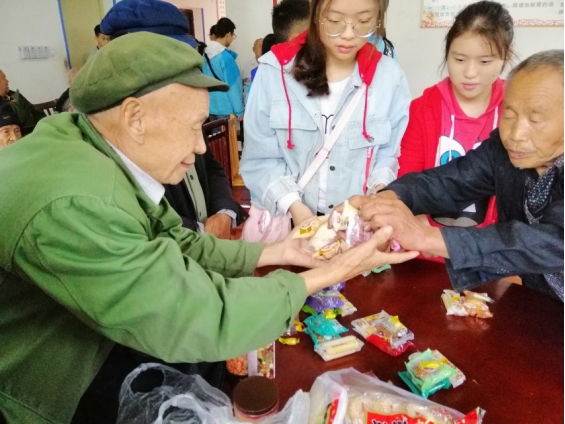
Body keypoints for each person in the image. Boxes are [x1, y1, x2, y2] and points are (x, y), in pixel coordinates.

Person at [0, 32, 418, 424]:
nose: (201, 146)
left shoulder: (85, 142)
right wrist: (331, 272)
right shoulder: (78, 200)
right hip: (45, 381)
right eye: (193, 126)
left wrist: (278, 252)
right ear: (134, 117)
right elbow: (187, 315)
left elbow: (177, 241)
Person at [352, 49, 564, 302]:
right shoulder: (504, 150)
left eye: (535, 120)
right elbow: (451, 181)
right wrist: (389, 199)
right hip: (543, 300)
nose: (515, 134)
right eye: (509, 115)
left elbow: (554, 243)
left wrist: (428, 237)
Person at [240, 0, 411, 228]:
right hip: (289, 220)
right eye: (334, 20)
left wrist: (378, 194)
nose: (348, 34)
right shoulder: (274, 72)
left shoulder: (389, 77)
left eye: (363, 21)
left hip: (357, 224)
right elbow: (261, 157)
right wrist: (295, 207)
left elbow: (389, 153)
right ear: (315, 11)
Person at [101, 0, 247, 240]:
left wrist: (224, 212)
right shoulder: (112, 133)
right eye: (170, 60)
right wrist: (200, 233)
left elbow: (209, 165)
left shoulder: (181, 107)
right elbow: (140, 213)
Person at [398, 1, 513, 234]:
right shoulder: (423, 108)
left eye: (485, 61)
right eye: (459, 59)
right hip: (427, 241)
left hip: (491, 246)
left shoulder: (514, 107)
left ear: (506, 56)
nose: (470, 73)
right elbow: (408, 177)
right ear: (447, 53)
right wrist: (421, 235)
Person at [202, 17, 244, 121]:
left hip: (210, 107)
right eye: (233, 36)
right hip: (226, 109)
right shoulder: (226, 57)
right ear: (228, 34)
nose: (232, 39)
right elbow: (233, 86)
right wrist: (239, 110)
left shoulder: (204, 55)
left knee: (215, 132)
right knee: (228, 133)